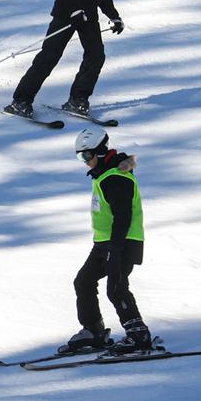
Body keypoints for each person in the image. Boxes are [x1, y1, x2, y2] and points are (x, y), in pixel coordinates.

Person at [62, 127, 152, 354]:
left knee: (116, 287)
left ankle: (138, 334)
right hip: (104, 243)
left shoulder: (115, 178)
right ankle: (94, 331)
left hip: (122, 242)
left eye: (85, 155)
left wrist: (115, 248)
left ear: (99, 153)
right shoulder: (104, 175)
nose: (84, 161)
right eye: (79, 156)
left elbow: (123, 217)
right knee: (83, 281)